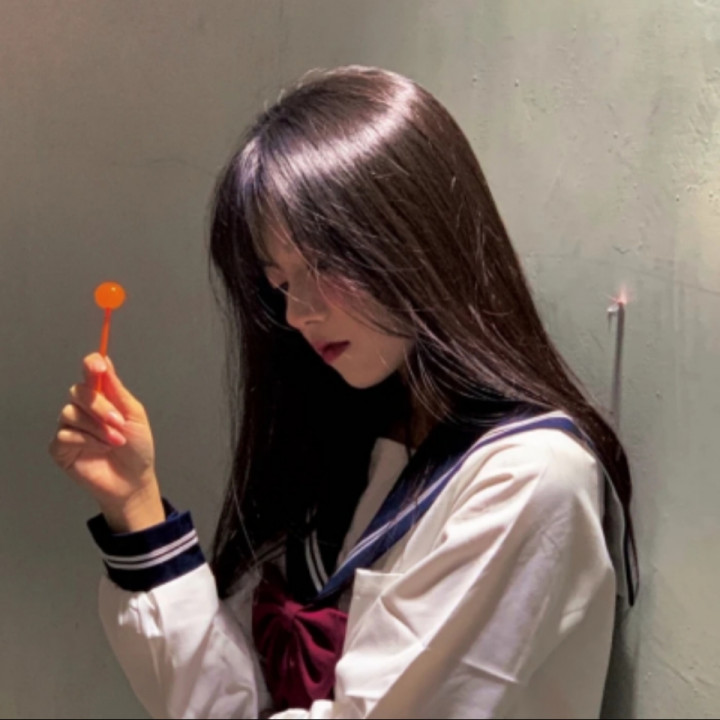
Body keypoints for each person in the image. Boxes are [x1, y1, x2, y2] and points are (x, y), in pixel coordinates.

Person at [48, 65, 638, 719]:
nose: (297, 312)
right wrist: (135, 503)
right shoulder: (358, 434)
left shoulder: (528, 480)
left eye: (324, 264)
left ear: (419, 236)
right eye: (279, 282)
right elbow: (229, 703)